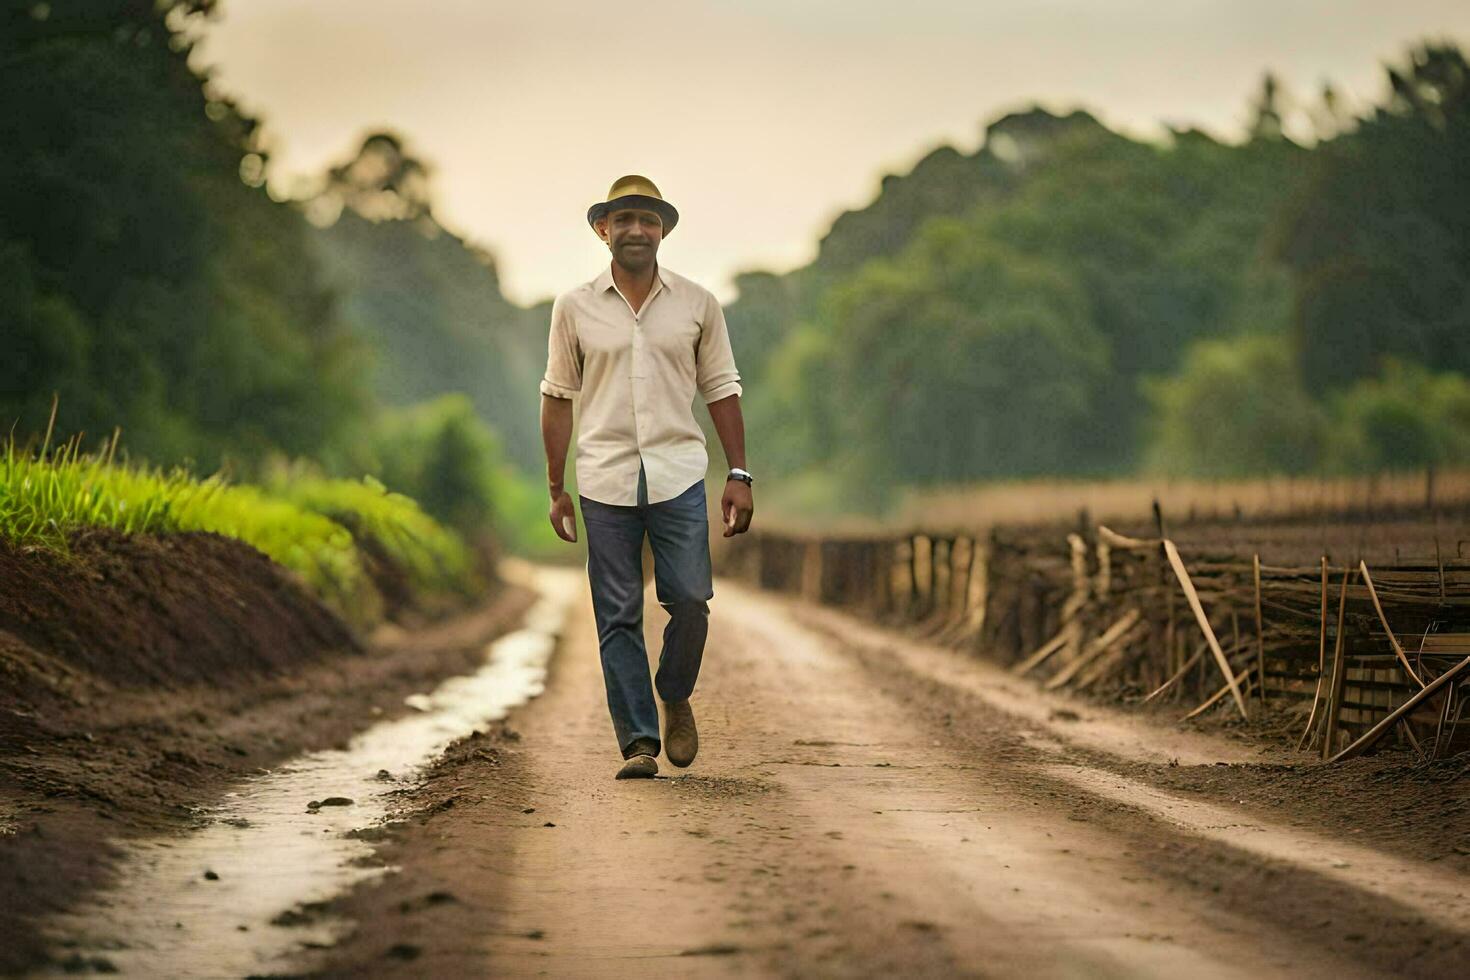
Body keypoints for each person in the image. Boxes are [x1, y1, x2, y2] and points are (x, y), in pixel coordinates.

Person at [539, 175, 755, 781]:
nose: (637, 230)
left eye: (649, 220)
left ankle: (674, 691)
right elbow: (558, 396)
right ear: (602, 229)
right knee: (617, 615)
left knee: (690, 600)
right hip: (603, 479)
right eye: (625, 219)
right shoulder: (574, 308)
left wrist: (738, 472)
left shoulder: (697, 304)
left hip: (679, 473)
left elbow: (721, 388)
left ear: (662, 231)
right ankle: (638, 741)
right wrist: (556, 487)